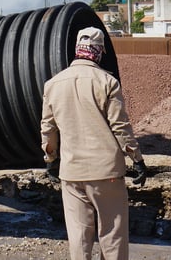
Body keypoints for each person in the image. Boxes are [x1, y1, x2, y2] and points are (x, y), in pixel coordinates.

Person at [39, 27, 148, 260]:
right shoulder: (107, 82)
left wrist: (50, 159)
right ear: (98, 52)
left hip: (72, 171)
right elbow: (120, 127)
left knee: (79, 235)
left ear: (77, 50)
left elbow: (48, 129)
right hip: (106, 171)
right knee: (112, 232)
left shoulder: (53, 84)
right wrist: (137, 159)